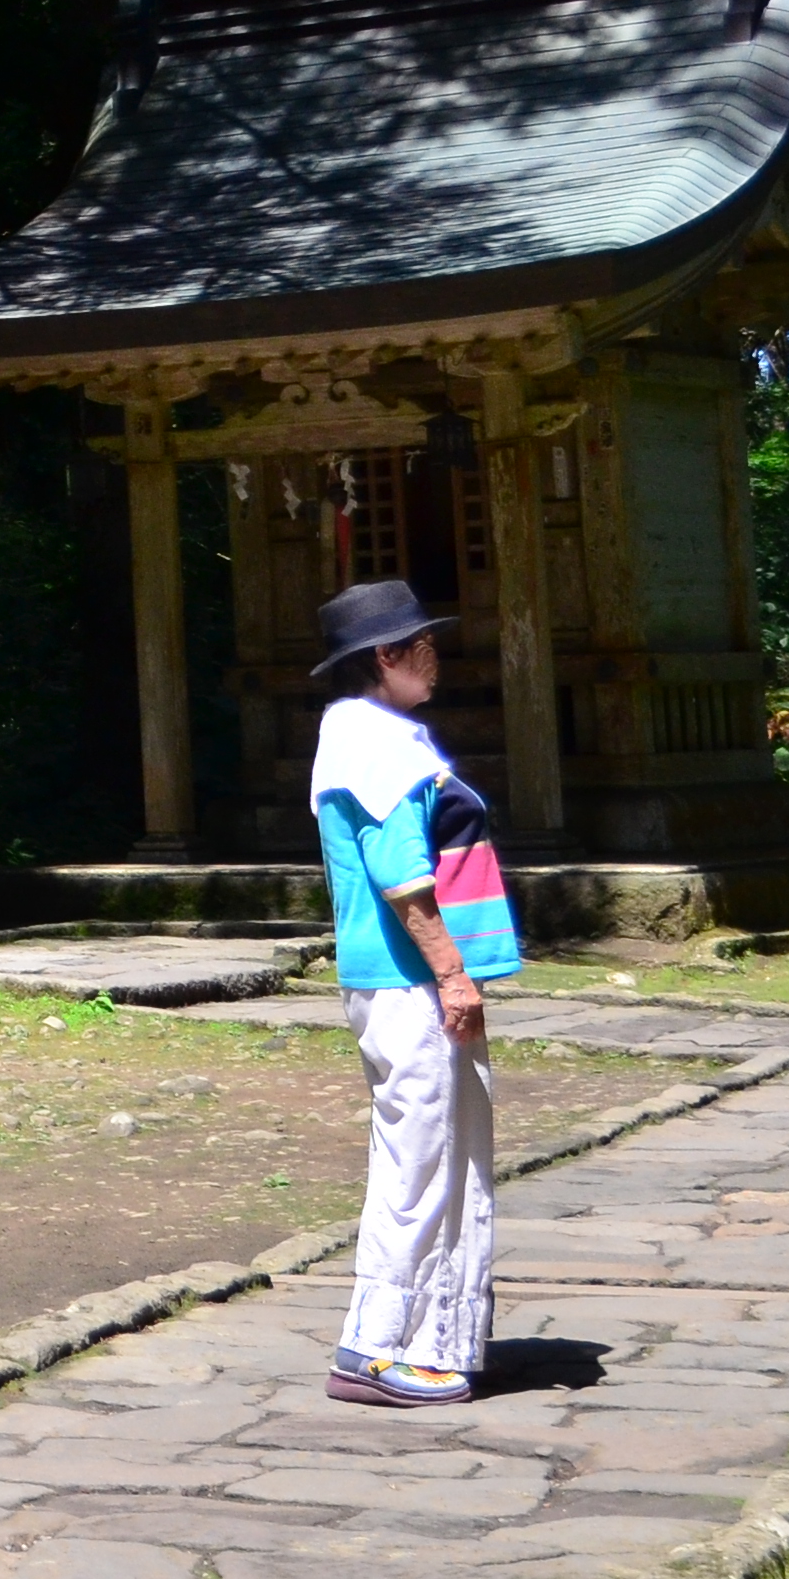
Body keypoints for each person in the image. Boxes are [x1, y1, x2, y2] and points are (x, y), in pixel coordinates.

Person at [306, 573, 523, 1406]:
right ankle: (376, 1346)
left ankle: (440, 1340)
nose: (435, 659)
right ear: (386, 655)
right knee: (422, 1163)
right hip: (407, 982)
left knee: (448, 1157)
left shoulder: (370, 733)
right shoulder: (380, 746)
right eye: (423, 645)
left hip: (400, 981)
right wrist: (453, 973)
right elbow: (403, 879)